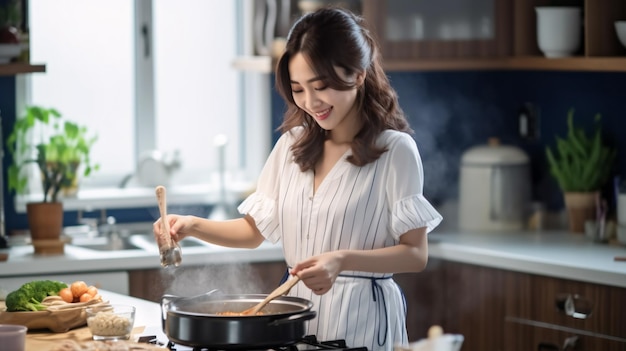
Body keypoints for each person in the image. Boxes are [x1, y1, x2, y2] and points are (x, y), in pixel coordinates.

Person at [154, 6, 442, 351]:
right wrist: (191, 225)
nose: (311, 102)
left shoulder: (395, 150)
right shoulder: (291, 145)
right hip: (295, 317)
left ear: (358, 74)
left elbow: (415, 253)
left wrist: (343, 260)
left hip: (363, 318)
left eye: (321, 86)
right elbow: (253, 232)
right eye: (298, 89)